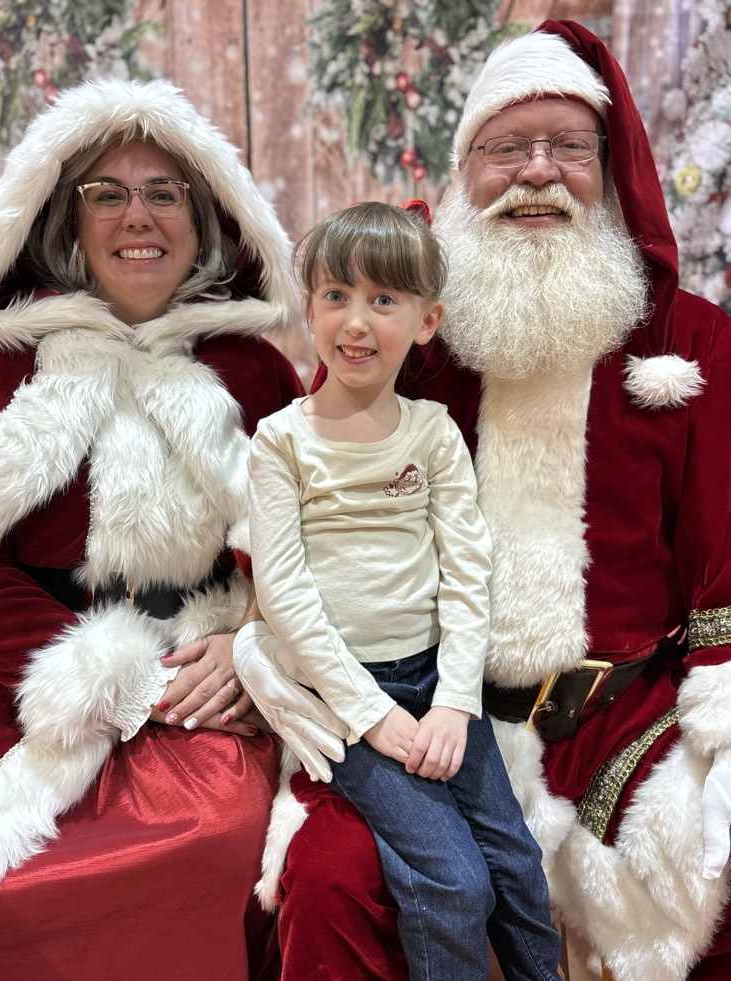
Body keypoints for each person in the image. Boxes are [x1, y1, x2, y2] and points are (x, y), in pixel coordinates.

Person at [235, 19, 731, 981]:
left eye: (567, 146)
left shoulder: (691, 336)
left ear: (610, 166)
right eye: (507, 147)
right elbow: (297, 505)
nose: (537, 171)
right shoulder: (410, 334)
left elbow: (726, 567)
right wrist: (249, 636)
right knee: (331, 878)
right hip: (414, 707)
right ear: (465, 169)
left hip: (623, 718)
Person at [0, 76, 306, 980]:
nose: (139, 216)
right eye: (109, 193)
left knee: (212, 841)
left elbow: (326, 545)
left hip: (207, 683)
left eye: (164, 192)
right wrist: (110, 682)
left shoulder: (254, 368)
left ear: (203, 219)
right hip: (14, 679)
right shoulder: (1, 370)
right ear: (65, 219)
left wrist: (256, 644)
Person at [240, 201, 561, 981]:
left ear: (426, 320)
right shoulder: (283, 441)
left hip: (436, 678)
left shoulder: (431, 432)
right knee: (452, 876)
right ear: (310, 306)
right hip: (348, 696)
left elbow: (466, 570)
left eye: (384, 299)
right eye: (336, 296)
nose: (357, 321)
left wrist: (454, 699)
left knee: (516, 865)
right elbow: (282, 593)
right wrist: (371, 713)